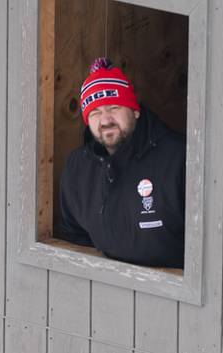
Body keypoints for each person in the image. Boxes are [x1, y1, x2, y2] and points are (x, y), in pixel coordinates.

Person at [56, 58, 185, 268]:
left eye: (114, 108)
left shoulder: (180, 158)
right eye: (95, 112)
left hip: (175, 295)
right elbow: (74, 235)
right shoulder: (77, 168)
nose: (105, 120)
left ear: (135, 110)